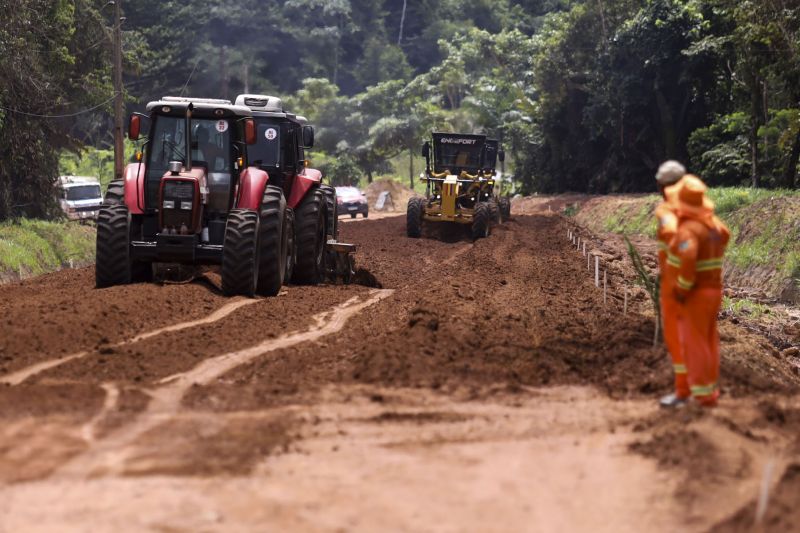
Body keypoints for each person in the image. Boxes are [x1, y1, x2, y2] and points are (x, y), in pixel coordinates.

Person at [669, 176, 730, 407]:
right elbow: (725, 235)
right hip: (715, 289)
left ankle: (702, 395)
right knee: (708, 339)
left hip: (696, 293)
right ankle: (710, 389)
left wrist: (682, 287)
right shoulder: (713, 225)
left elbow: (688, 255)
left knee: (693, 341)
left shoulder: (688, 231)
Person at [654, 161, 689, 408]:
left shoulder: (674, 213)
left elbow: (686, 248)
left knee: (681, 339)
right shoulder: (695, 207)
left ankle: (686, 392)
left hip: (681, 286)